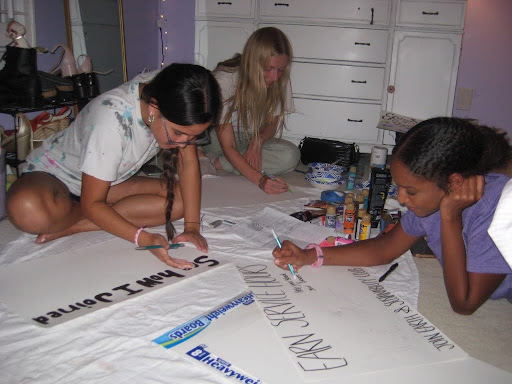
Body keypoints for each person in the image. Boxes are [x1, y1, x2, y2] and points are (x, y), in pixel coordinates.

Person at [273, 117, 512, 314]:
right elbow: (385, 248)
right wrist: (309, 255)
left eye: (411, 191)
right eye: (401, 188)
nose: (403, 200)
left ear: (454, 184)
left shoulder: (494, 209)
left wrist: (450, 217)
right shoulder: (432, 199)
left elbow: (465, 303)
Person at [6, 63, 221, 269]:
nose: (184, 143)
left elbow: (189, 162)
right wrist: (143, 238)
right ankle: (95, 216)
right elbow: (92, 203)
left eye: (193, 137)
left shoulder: (167, 89)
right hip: (55, 177)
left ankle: (80, 224)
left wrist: (192, 227)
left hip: (108, 183)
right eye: (178, 133)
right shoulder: (110, 122)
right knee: (25, 208)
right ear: (154, 107)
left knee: (180, 203)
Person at [199, 27, 300, 195]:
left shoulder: (279, 78)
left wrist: (258, 140)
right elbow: (229, 145)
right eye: (268, 69)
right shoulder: (224, 79)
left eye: (281, 69)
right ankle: (207, 155)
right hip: (215, 139)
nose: (275, 77)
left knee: (291, 155)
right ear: (253, 62)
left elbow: (272, 122)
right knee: (219, 147)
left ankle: (216, 163)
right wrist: (259, 180)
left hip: (248, 136)